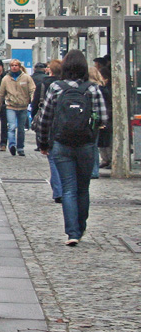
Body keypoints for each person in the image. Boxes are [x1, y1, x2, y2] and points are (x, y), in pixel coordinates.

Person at [35, 49, 108, 246]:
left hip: (61, 144)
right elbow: (103, 118)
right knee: (83, 189)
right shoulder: (92, 89)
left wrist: (43, 143)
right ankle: (81, 227)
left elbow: (45, 118)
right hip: (86, 145)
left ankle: (72, 233)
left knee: (68, 189)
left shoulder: (56, 88)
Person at [30, 60, 63, 202]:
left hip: (49, 126)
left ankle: (59, 192)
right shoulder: (69, 85)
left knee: (54, 160)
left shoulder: (45, 85)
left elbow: (36, 105)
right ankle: (66, 191)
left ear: (50, 70)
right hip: (65, 128)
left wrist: (41, 141)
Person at [0, 58, 35, 156]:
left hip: (23, 106)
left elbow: (32, 90)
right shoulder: (6, 79)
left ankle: (20, 147)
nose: (14, 67)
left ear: (19, 67)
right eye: (12, 65)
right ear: (10, 67)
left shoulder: (26, 78)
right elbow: (1, 94)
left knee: (21, 128)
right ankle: (12, 145)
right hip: (10, 106)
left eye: (16, 65)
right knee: (11, 127)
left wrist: (32, 100)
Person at [92, 56, 112, 173]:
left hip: (103, 117)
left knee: (105, 140)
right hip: (104, 116)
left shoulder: (100, 88)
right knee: (103, 140)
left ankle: (107, 159)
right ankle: (106, 159)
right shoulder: (100, 88)